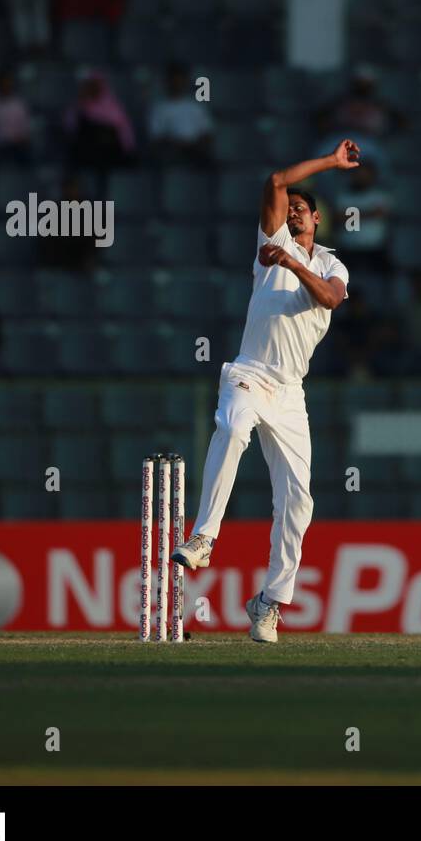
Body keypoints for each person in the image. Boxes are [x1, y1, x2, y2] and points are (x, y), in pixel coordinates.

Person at [169, 140, 359, 643]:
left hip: (291, 392)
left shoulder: (333, 266)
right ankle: (204, 537)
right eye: (290, 209)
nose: (293, 213)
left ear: (317, 221)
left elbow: (333, 299)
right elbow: (277, 180)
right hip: (249, 372)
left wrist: (295, 265)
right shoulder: (271, 239)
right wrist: (330, 162)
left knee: (299, 501)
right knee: (231, 426)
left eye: (303, 210)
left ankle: (269, 602)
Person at [148, 62, 213, 163]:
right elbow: (156, 138)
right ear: (167, 82)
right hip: (171, 153)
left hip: (194, 151)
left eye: (180, 80)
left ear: (186, 81)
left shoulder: (196, 107)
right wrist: (177, 143)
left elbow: (207, 133)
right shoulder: (158, 108)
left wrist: (195, 144)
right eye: (174, 80)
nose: (177, 84)